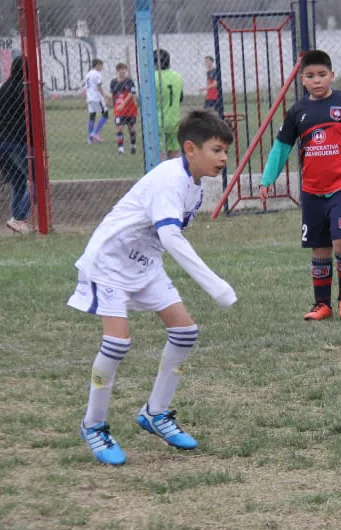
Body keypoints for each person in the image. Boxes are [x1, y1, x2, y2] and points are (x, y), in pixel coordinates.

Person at [67, 110, 237, 466]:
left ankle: (155, 413)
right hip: (110, 263)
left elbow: (161, 240)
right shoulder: (169, 180)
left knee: (185, 333)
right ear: (190, 149)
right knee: (117, 343)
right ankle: (92, 425)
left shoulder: (193, 183)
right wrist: (215, 285)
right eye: (217, 150)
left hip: (144, 265)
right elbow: (170, 237)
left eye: (225, 152)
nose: (223, 158)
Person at [258, 49, 341, 321]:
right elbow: (281, 148)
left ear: (332, 76)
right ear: (302, 79)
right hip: (312, 191)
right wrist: (267, 179)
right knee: (320, 247)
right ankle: (321, 304)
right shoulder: (298, 112)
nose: (317, 80)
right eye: (311, 76)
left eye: (322, 75)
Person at [0, 56, 31, 234]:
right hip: (18, 143)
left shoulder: (3, 87)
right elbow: (31, 119)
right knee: (40, 181)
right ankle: (18, 217)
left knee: (18, 182)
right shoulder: (25, 89)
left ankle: (17, 220)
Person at [154, 49, 184, 159]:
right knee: (174, 152)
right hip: (174, 120)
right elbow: (180, 98)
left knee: (158, 153)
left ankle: (160, 175)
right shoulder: (177, 76)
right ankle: (174, 174)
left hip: (157, 122)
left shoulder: (152, 77)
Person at [110, 62, 138, 155]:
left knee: (131, 128)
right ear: (117, 71)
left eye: (124, 69)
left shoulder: (129, 81)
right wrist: (115, 106)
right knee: (119, 128)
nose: (122, 71)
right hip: (119, 110)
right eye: (120, 69)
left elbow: (131, 94)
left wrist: (123, 104)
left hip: (129, 109)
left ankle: (133, 145)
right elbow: (113, 95)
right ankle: (120, 148)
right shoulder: (113, 82)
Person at [84, 58, 108, 144]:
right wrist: (105, 96)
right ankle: (95, 133)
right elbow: (99, 87)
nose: (102, 68)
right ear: (97, 65)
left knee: (92, 116)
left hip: (89, 98)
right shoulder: (97, 74)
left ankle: (90, 139)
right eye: (101, 66)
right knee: (105, 115)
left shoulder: (88, 74)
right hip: (97, 97)